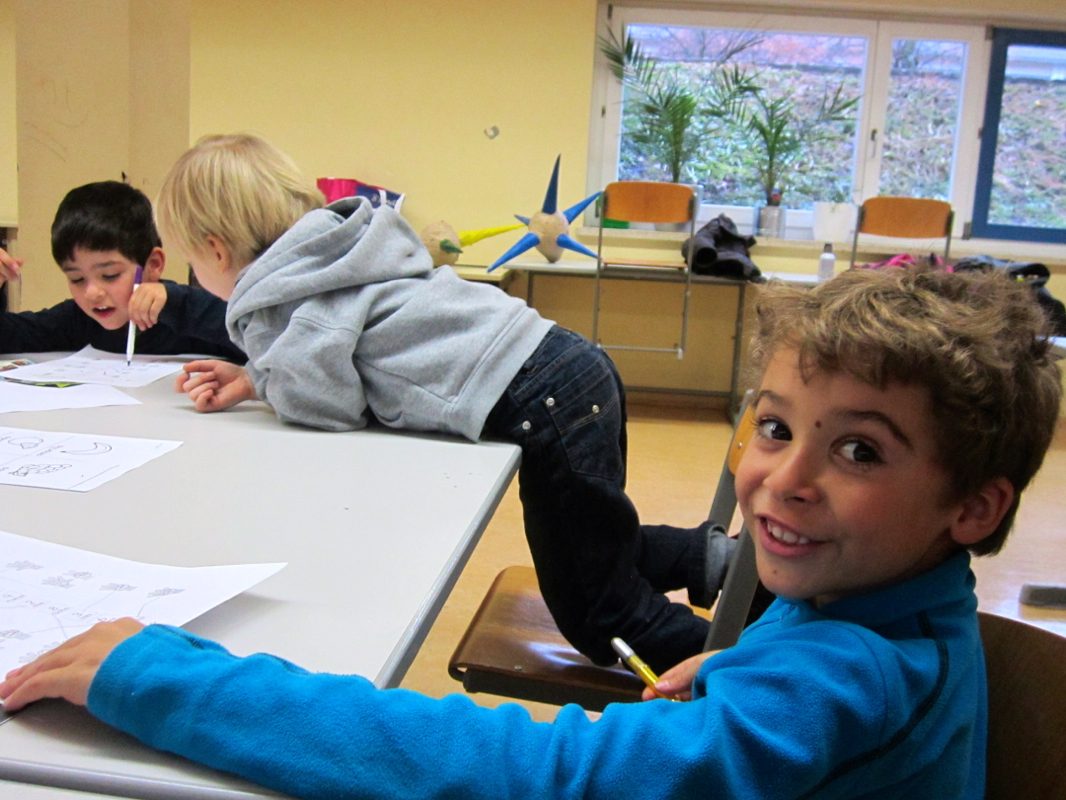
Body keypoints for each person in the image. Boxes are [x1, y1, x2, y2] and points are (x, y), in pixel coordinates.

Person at [3, 264, 1056, 799]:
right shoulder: (889, 606)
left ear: (974, 506)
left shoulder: (847, 675)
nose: (784, 478)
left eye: (859, 450)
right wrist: (744, 666)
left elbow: (547, 776)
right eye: (775, 427)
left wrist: (173, 681)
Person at [160, 132, 727, 671]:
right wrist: (256, 379)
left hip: (544, 400)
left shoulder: (282, 300)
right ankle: (724, 563)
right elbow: (337, 358)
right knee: (593, 548)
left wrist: (265, 378)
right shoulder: (341, 247)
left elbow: (329, 407)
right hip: (569, 366)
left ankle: (746, 671)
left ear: (216, 251)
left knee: (601, 617)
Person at [0, 181, 245, 363]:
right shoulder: (79, 320)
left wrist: (178, 305)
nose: (92, 293)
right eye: (77, 279)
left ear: (153, 264)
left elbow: (254, 338)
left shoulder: (187, 311)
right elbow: (9, 337)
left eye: (110, 275)